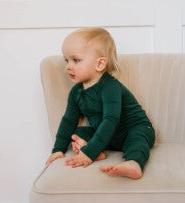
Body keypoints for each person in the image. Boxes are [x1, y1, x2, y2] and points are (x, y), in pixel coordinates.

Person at [45, 27, 155, 179]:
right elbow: (68, 120)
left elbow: (111, 120)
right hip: (108, 135)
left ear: (100, 64)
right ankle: (99, 152)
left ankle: (134, 164)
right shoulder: (76, 92)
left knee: (138, 138)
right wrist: (58, 150)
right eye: (66, 60)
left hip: (132, 128)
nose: (68, 66)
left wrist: (89, 152)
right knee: (74, 132)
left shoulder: (111, 87)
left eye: (76, 60)